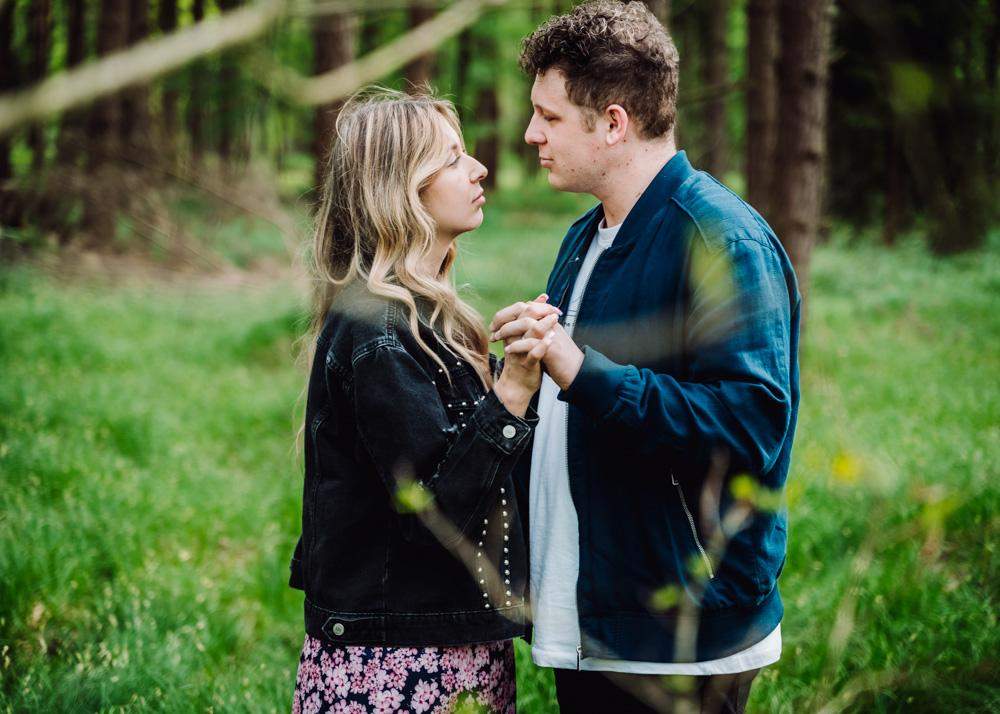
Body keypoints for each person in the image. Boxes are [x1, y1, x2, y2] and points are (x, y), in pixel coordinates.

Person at [489, 2, 801, 712]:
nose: (531, 134)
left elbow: (750, 427)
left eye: (549, 116)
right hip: (595, 623)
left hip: (681, 638)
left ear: (613, 123)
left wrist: (581, 369)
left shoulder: (721, 240)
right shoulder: (585, 236)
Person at [287, 89, 556, 714]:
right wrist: (513, 389)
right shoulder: (378, 333)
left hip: (449, 648)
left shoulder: (429, 320)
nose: (479, 168)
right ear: (401, 189)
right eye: (452, 158)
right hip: (396, 667)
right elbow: (435, 514)